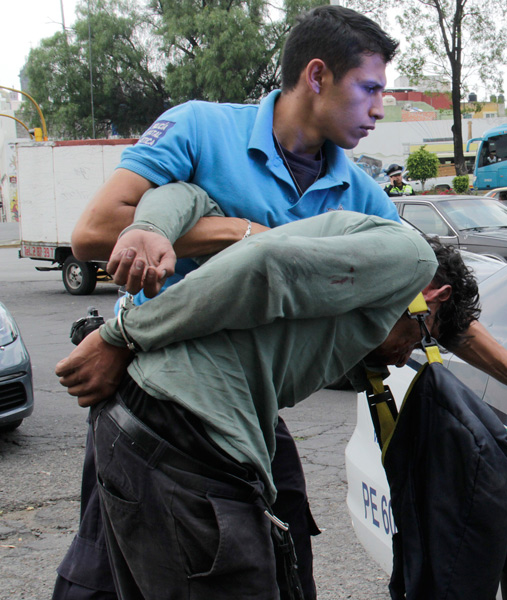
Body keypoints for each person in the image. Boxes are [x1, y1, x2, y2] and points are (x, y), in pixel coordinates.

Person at [62, 5, 507, 599]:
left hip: (250, 396)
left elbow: (429, 301)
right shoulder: (201, 128)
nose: (378, 109)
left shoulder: (360, 192)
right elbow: (94, 232)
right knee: (110, 567)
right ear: (316, 76)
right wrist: (240, 235)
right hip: (153, 391)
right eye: (368, 89)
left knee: (285, 558)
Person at [56, 182, 479, 600]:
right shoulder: (412, 258)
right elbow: (265, 265)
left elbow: (194, 199)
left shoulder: (337, 249)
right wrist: (122, 334)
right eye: (423, 337)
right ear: (432, 297)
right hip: (184, 434)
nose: (407, 357)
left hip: (145, 429)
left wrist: (150, 225)